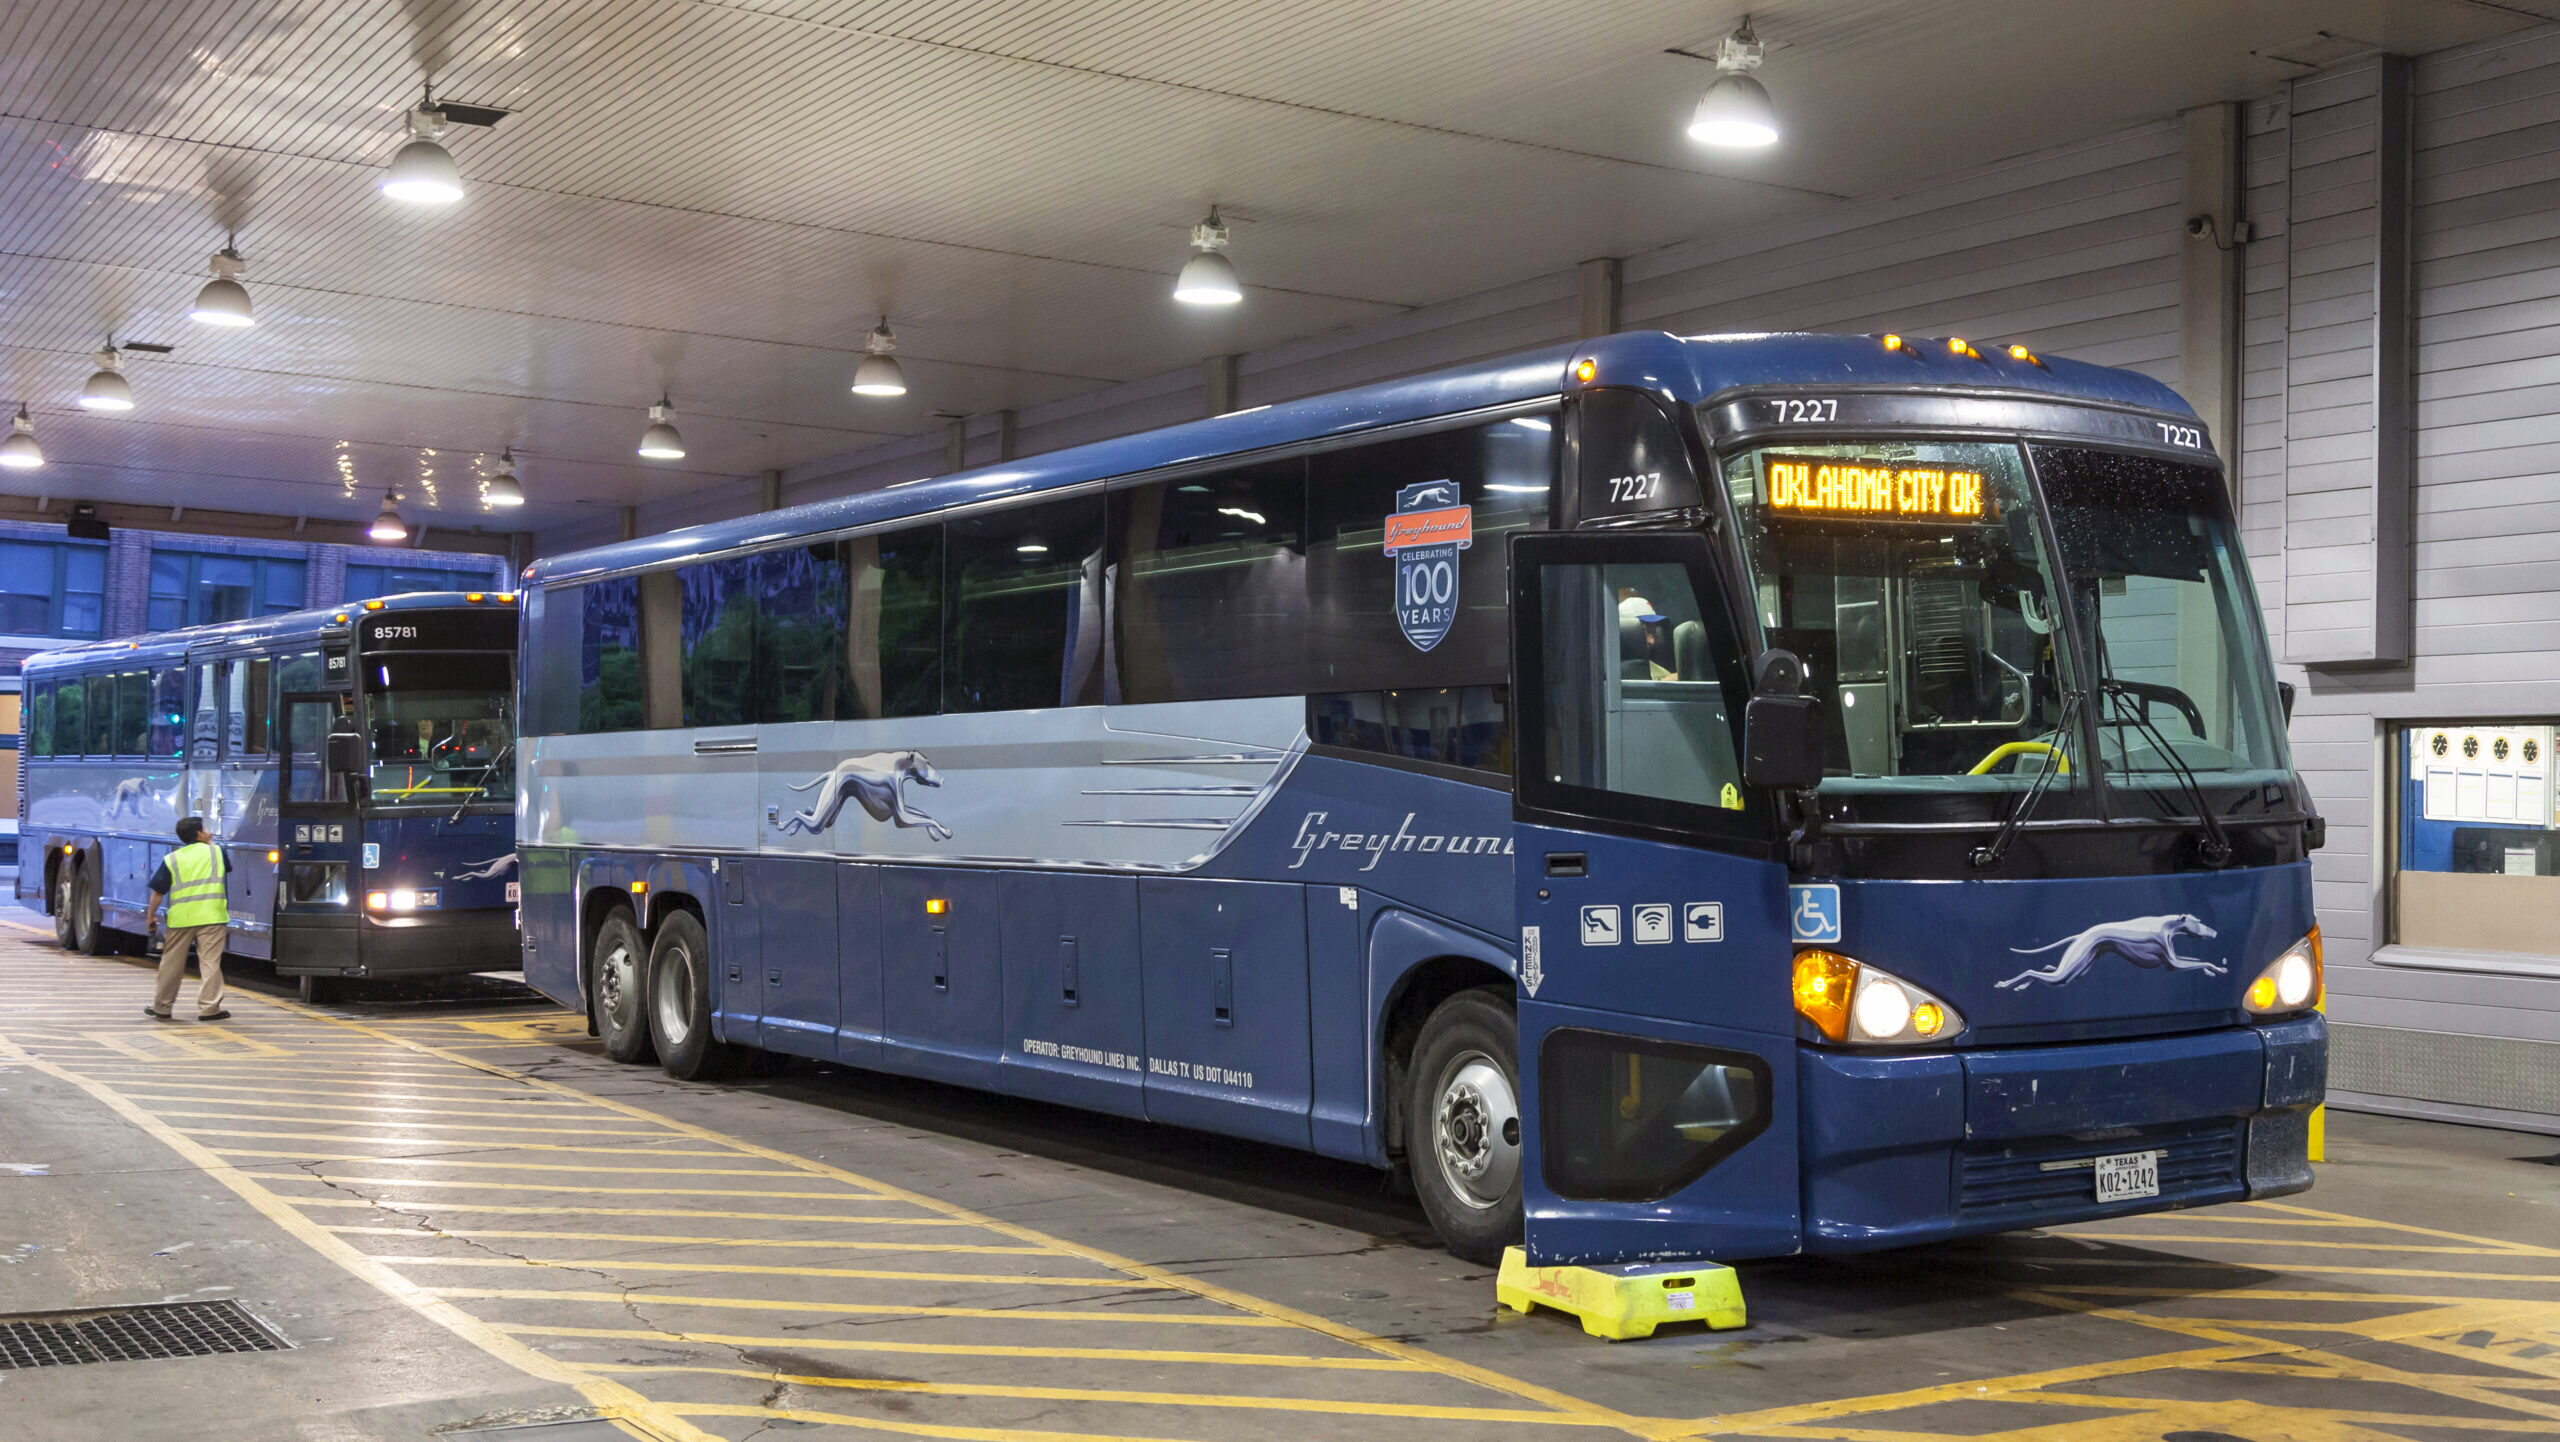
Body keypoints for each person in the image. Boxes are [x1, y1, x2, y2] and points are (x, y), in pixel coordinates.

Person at [145, 816, 231, 1022]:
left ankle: (162, 1007)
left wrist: (150, 917)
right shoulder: (217, 852)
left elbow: (158, 892)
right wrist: (210, 845)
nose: (209, 832)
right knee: (210, 962)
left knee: (171, 964)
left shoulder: (172, 859)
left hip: (181, 920)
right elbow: (226, 868)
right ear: (199, 834)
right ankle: (209, 1008)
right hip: (212, 916)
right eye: (206, 829)